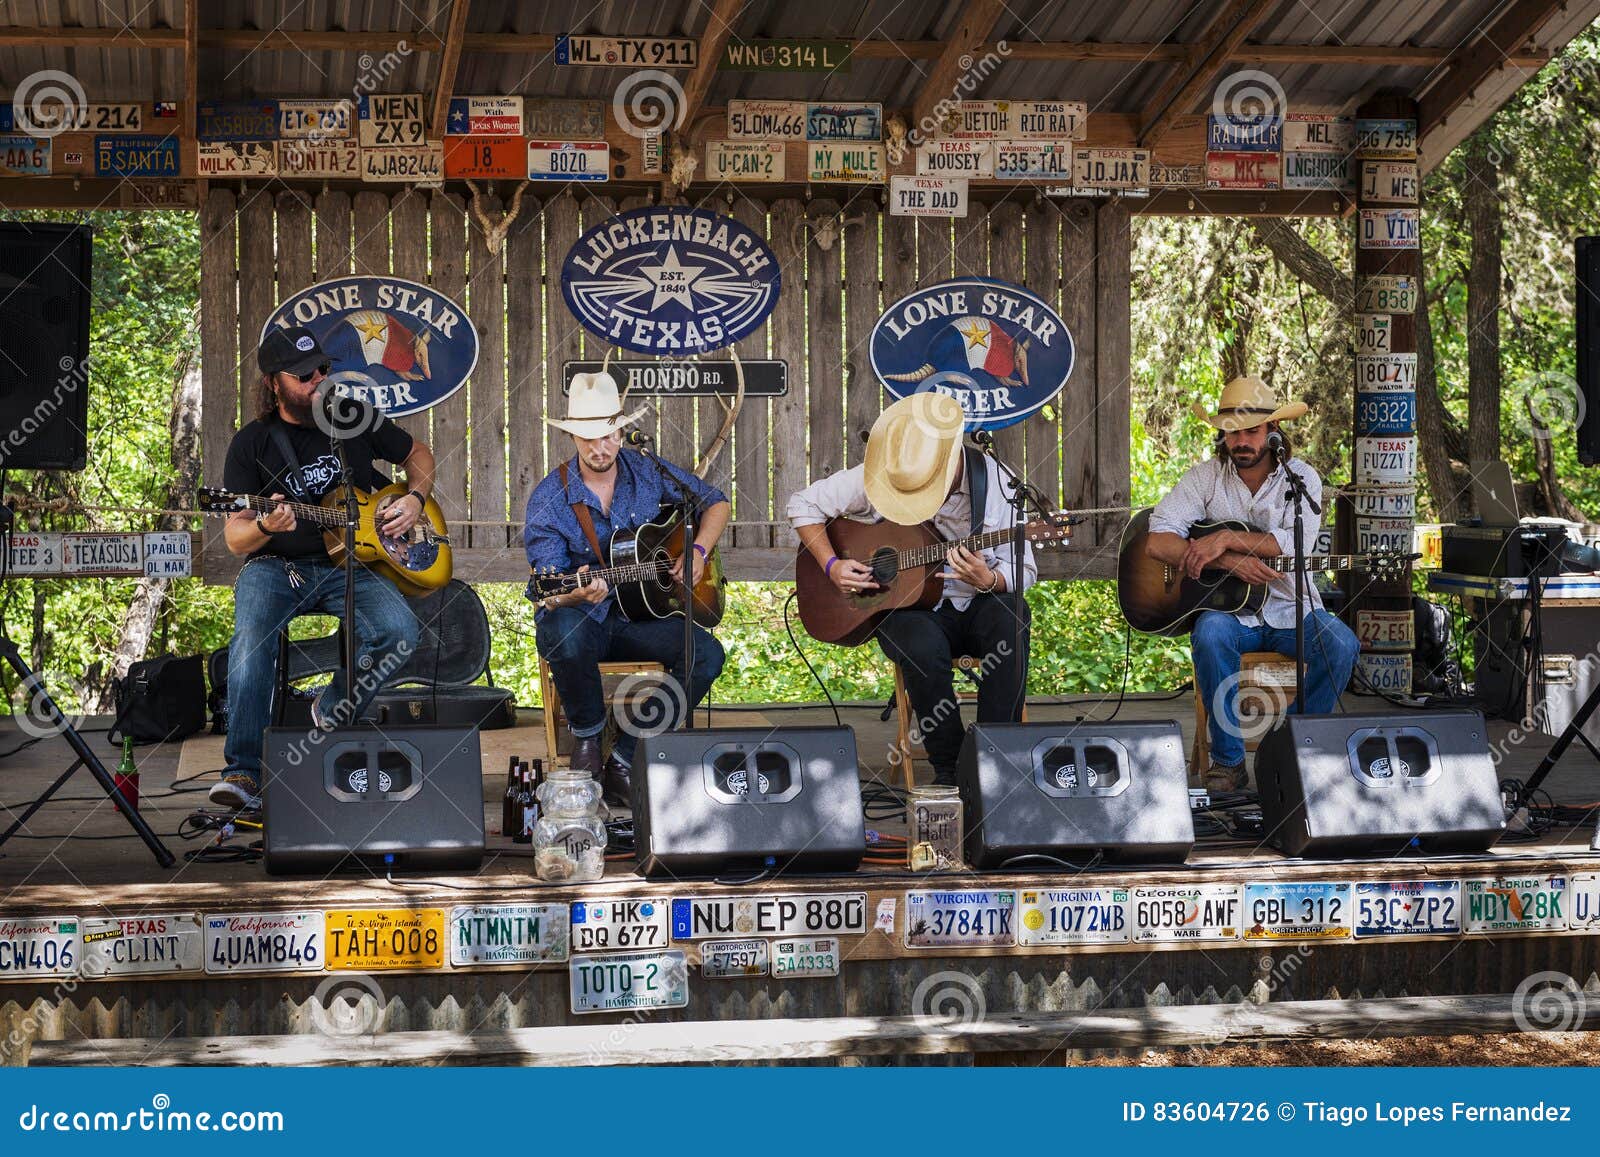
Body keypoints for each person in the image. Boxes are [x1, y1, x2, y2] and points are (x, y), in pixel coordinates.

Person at [209, 327, 433, 810]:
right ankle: (244, 772)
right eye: (305, 374)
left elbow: (419, 455)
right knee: (250, 644)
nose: (319, 380)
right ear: (274, 383)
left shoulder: (352, 418)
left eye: (324, 370)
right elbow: (234, 537)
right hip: (277, 566)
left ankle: (331, 708)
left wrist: (414, 499)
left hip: (348, 564)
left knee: (398, 631)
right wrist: (268, 526)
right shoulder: (251, 444)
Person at [788, 392, 1036, 786]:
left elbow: (1024, 569)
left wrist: (989, 580)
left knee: (1013, 616)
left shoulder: (998, 483)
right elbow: (802, 504)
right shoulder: (887, 471)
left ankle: (997, 759)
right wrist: (832, 565)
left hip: (977, 605)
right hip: (912, 611)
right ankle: (951, 769)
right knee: (919, 644)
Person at [1145, 375, 1359, 792]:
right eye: (1232, 432)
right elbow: (1156, 540)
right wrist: (1227, 561)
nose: (1241, 441)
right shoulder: (1205, 478)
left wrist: (1224, 538)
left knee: (1341, 644)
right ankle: (1228, 762)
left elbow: (1292, 545)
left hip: (1292, 606)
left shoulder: (1302, 479)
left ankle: (1297, 748)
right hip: (1229, 610)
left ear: (1273, 432)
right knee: (1209, 636)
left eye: (1251, 431)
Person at [525, 371, 729, 806]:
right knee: (561, 628)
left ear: (622, 430)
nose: (600, 449)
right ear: (573, 439)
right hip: (583, 619)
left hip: (641, 617)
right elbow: (548, 588)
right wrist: (574, 593)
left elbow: (716, 501)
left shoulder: (647, 471)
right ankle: (587, 740)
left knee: (707, 655)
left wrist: (696, 552)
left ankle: (626, 754)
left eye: (609, 436)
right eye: (588, 439)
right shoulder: (550, 496)